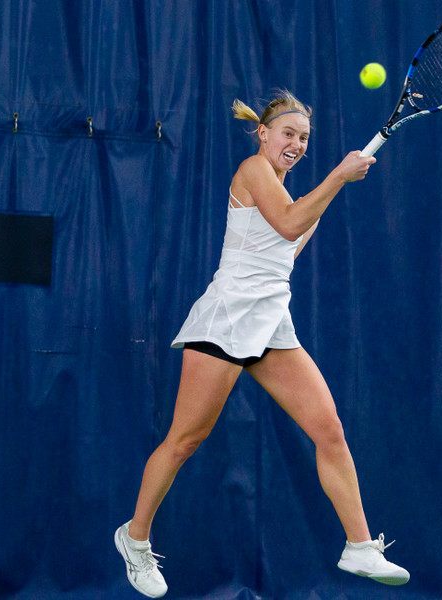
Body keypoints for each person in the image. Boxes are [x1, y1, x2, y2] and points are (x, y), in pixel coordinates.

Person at [114, 90, 409, 598]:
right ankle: (134, 538)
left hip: (271, 322)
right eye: (288, 134)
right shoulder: (254, 170)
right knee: (185, 440)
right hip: (227, 318)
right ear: (264, 134)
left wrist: (333, 186)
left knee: (329, 429)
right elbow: (291, 223)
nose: (295, 144)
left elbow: (288, 246)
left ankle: (359, 545)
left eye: (304, 138)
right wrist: (339, 175)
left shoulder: (290, 190)